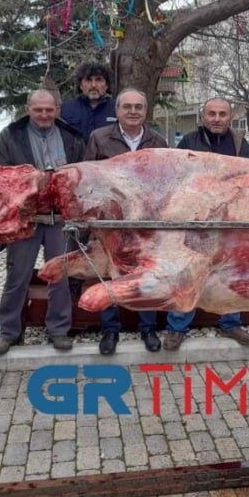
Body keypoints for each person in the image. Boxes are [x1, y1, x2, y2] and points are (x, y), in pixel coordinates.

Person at [0, 89, 85, 356]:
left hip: (59, 218)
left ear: (57, 109)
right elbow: (1, 176)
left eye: (49, 109)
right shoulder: (11, 136)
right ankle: (9, 331)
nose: (44, 115)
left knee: (60, 276)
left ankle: (58, 330)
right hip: (27, 218)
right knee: (17, 276)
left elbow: (82, 175)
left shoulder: (72, 136)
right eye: (38, 110)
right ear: (28, 109)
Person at [164, 97, 249, 350]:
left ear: (230, 117)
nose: (217, 119)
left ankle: (231, 323)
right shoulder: (188, 143)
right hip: (197, 221)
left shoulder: (239, 143)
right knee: (188, 272)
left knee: (231, 272)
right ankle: (177, 327)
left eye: (222, 114)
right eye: (212, 114)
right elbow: (177, 179)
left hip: (231, 220)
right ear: (202, 116)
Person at [85, 88, 168, 354]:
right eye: (127, 107)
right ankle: (110, 330)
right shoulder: (98, 138)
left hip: (145, 220)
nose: (133, 111)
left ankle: (148, 328)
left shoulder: (158, 140)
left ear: (145, 111)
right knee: (109, 270)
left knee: (146, 272)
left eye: (138, 107)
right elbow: (89, 178)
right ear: (117, 110)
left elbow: (166, 180)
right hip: (110, 219)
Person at [60, 61, 116, 143]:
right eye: (88, 80)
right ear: (81, 85)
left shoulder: (117, 109)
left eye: (98, 80)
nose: (93, 85)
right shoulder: (65, 109)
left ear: (107, 85)